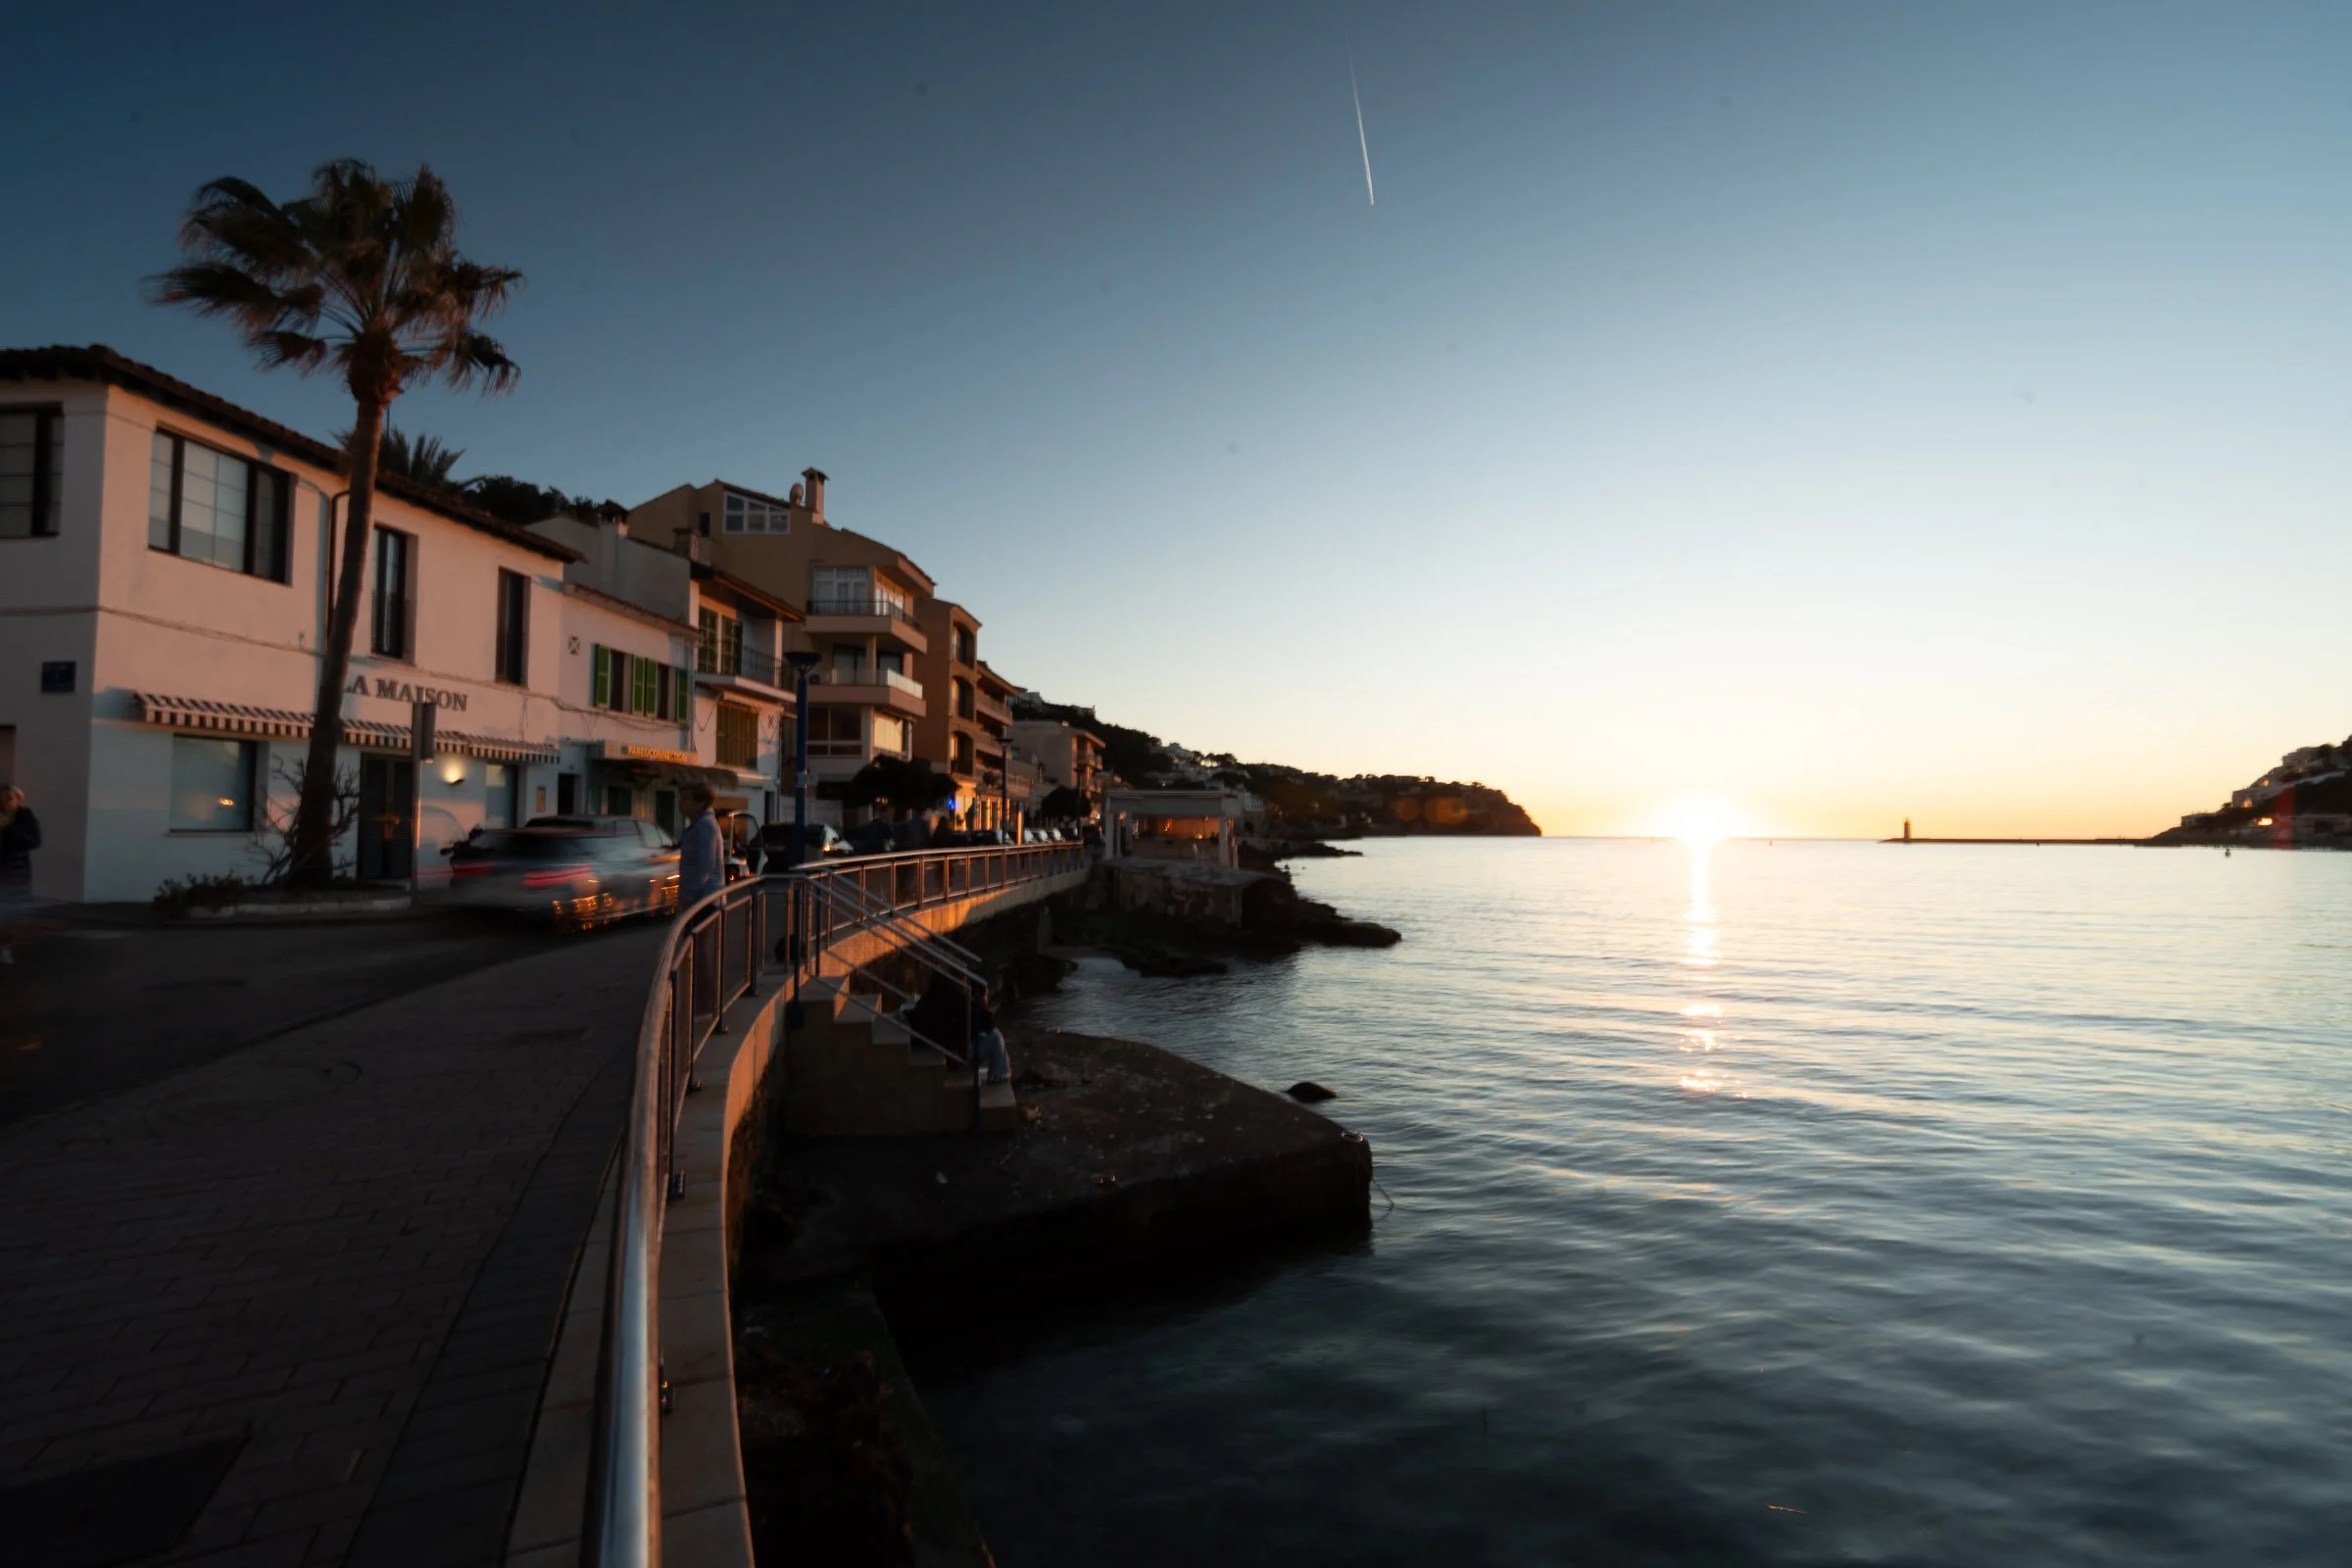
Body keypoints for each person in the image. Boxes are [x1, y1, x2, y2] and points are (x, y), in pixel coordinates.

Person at [0, 784, 38, 967]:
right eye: (3, 798)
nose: (6, 802)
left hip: (15, 872)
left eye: (10, 798)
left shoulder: (24, 816)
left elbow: (35, 840)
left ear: (17, 799)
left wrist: (11, 830)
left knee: (10, 913)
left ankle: (5, 947)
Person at [676, 783, 725, 907]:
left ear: (701, 802)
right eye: (681, 797)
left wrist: (689, 898)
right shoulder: (698, 825)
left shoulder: (705, 825)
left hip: (704, 901)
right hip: (701, 899)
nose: (680, 802)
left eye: (686, 798)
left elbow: (705, 868)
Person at [969, 985, 1009, 1085]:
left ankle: (1001, 1072)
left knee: (997, 1034)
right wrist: (984, 1006)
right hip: (968, 1053)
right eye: (986, 995)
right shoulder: (975, 1007)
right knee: (996, 1036)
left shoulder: (970, 1006)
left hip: (968, 1048)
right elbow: (989, 1025)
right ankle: (999, 1074)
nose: (987, 997)